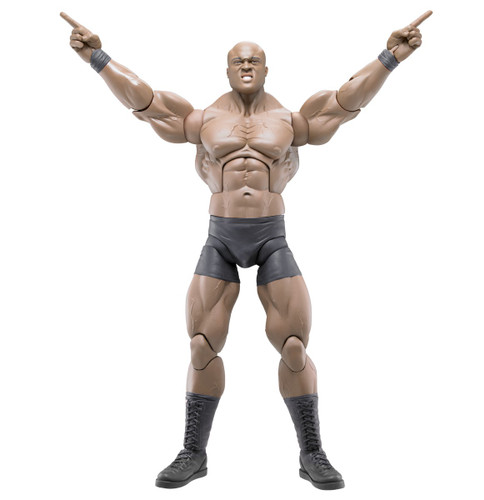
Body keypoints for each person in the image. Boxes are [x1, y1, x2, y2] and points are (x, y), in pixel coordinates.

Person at [61, 10, 432, 490]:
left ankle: (312, 454)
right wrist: (96, 56)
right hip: (221, 236)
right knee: (201, 344)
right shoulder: (202, 119)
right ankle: (193, 453)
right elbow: (145, 102)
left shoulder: (290, 120)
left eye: (254, 60)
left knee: (293, 346)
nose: (246, 66)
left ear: (266, 69)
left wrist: (391, 56)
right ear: (227, 69)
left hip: (270, 236)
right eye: (239, 60)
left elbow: (346, 102)